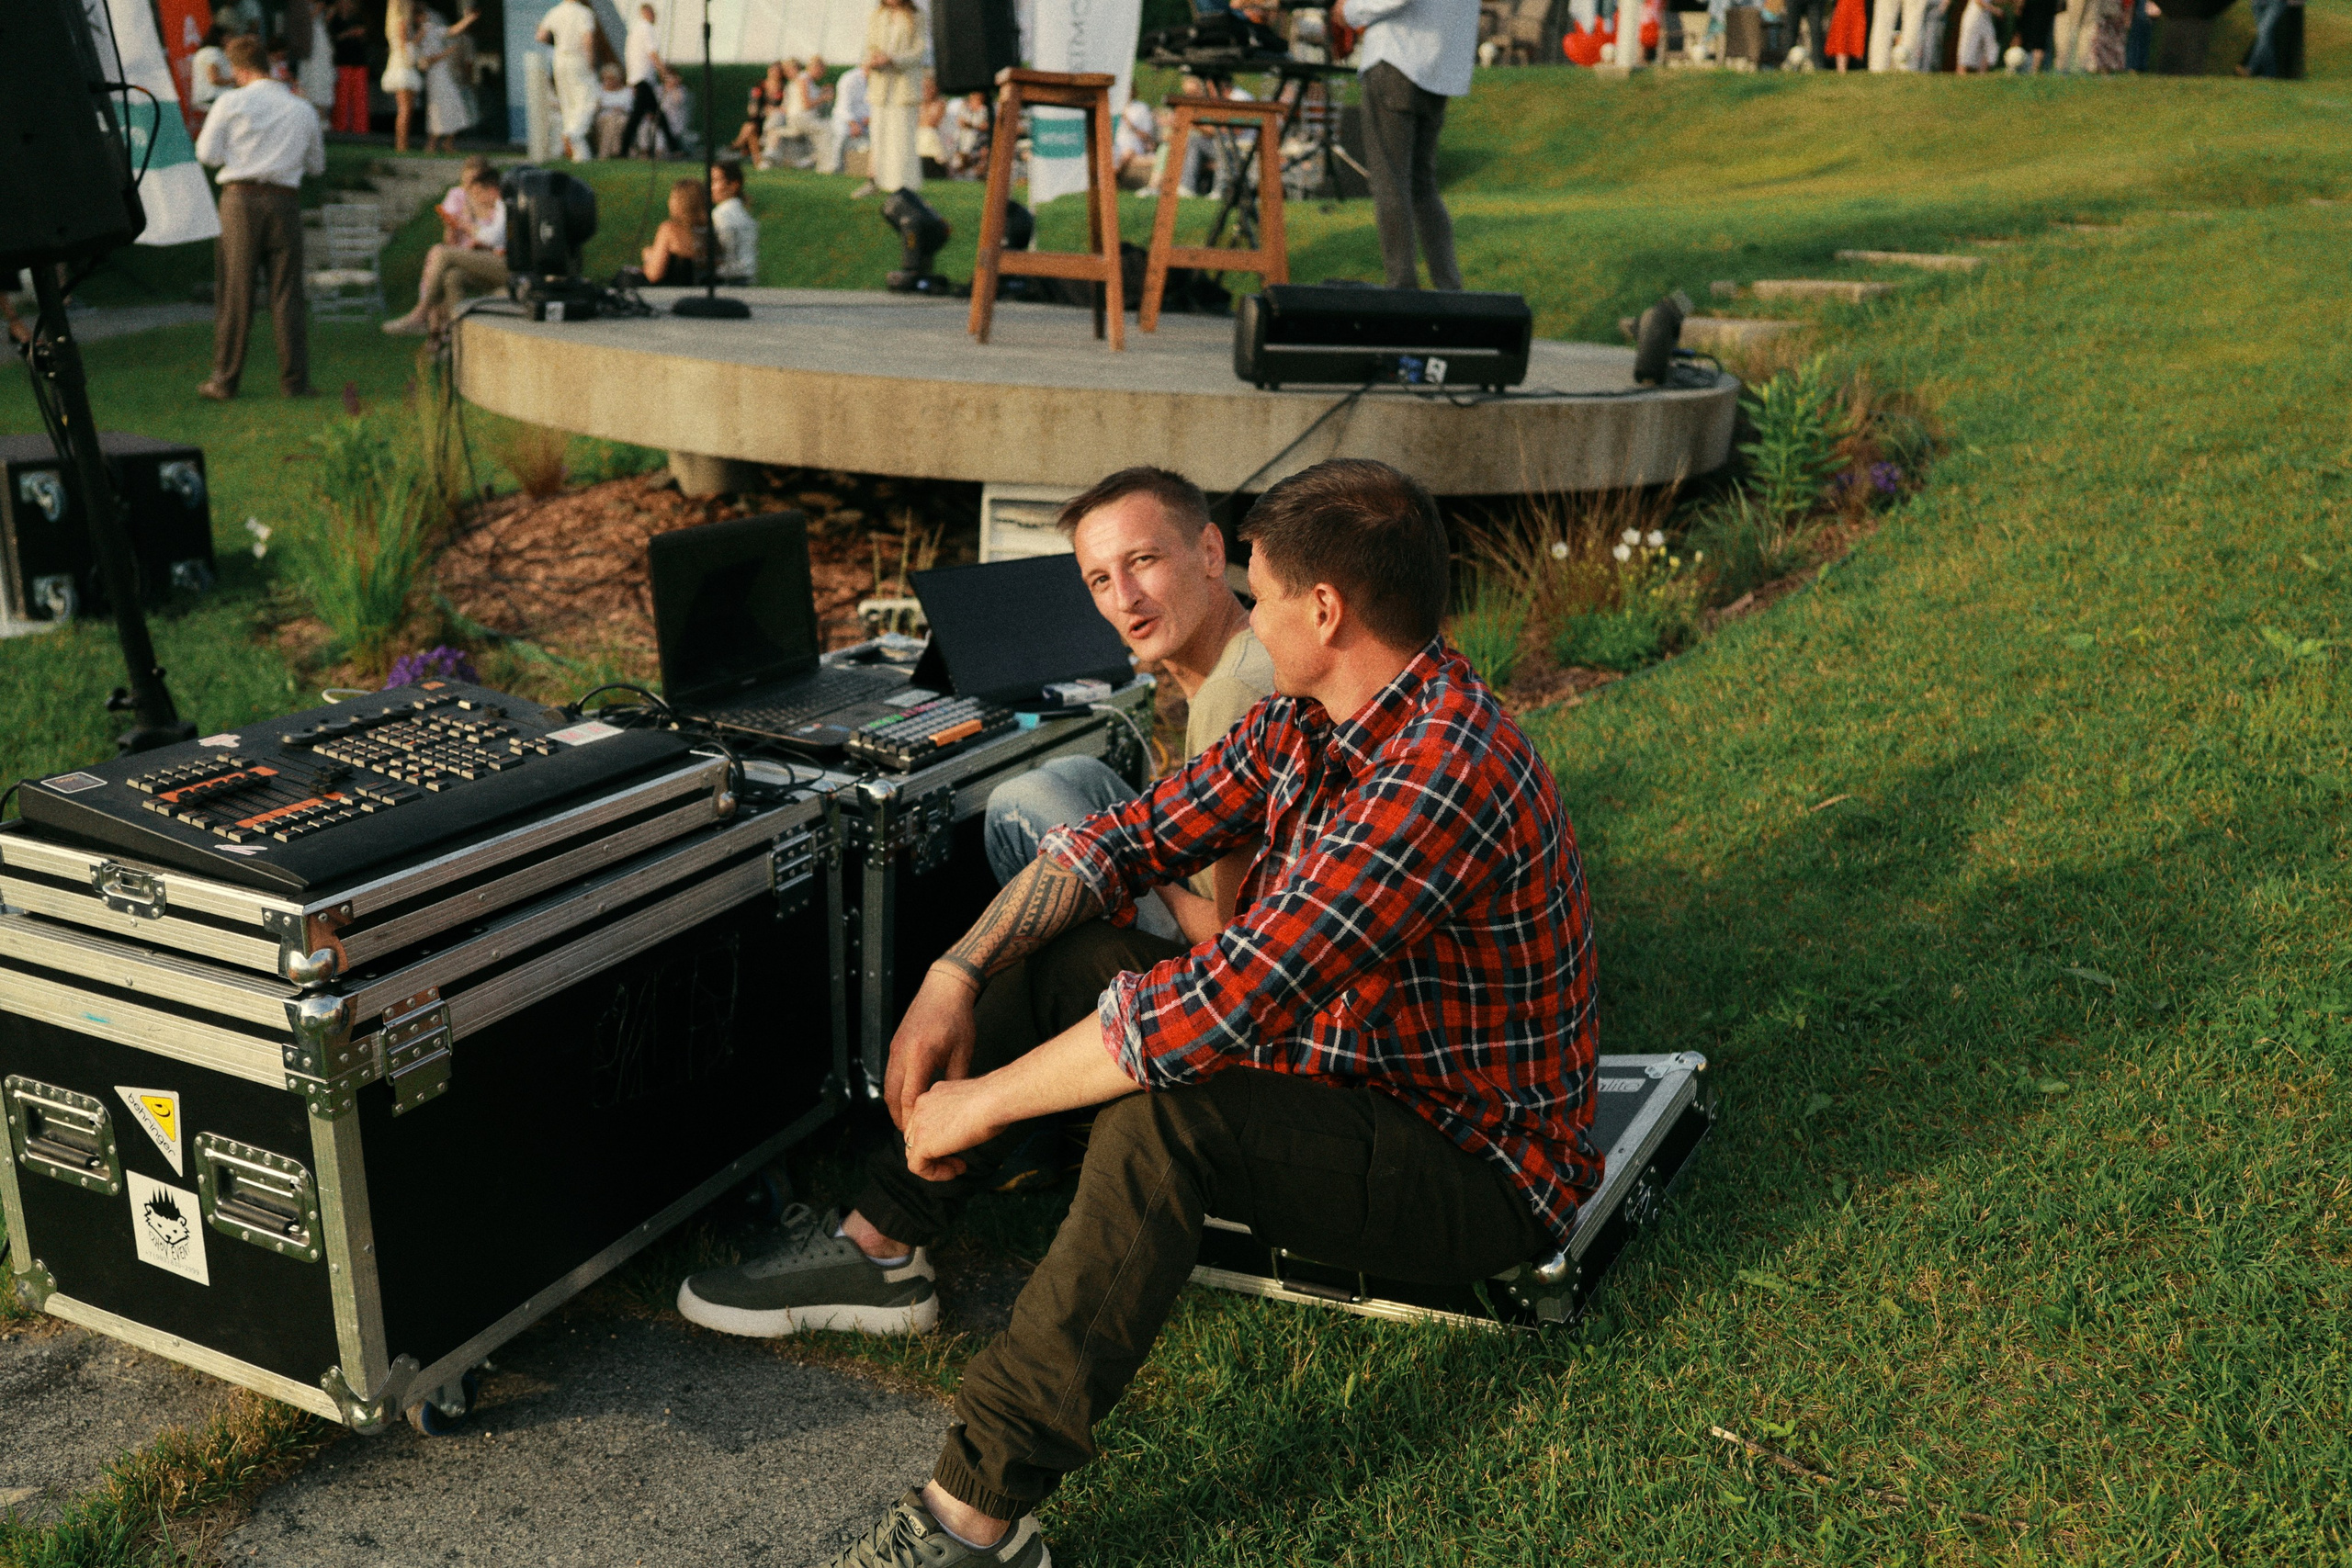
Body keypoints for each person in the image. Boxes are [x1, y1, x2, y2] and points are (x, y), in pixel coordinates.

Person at [734, 457, 1596, 1568]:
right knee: (1051, 950)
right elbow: (1122, 842)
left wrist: (980, 1103)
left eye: (1263, 592)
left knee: (1166, 1115)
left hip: (1468, 1162)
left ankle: (974, 1521)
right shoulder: (1313, 718)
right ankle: (882, 1245)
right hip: (1334, 1069)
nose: (1251, 616)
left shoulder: (1437, 775)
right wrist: (953, 973)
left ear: (1324, 611)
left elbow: (1209, 1011)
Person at [676, 464, 1279, 1328]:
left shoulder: (1235, 691)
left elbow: (1236, 935)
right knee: (1059, 791)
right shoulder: (1233, 660)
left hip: (1236, 1004)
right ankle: (1022, 1117)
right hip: (1246, 974)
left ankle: (887, 1234)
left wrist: (1134, 883)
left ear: (1212, 549)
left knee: (1042, 856)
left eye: (1143, 562)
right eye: (1101, 579)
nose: (1124, 599)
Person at [195, 36, 325, 401]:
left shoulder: (231, 102)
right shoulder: (301, 108)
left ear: (237, 69)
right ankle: (295, 382)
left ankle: (224, 380)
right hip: (285, 200)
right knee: (287, 294)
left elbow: (206, 154)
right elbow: (316, 165)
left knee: (236, 291)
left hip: (240, 199)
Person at [1329, 0, 1470, 290]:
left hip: (1398, 57)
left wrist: (1349, 10)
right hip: (1439, 66)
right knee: (1422, 185)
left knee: (1390, 181)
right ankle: (1449, 287)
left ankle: (1402, 286)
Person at [384, 157, 506, 337]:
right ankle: (458, 336)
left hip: (507, 266)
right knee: (452, 277)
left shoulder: (503, 205)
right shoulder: (472, 199)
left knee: (442, 253)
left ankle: (421, 312)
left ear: (492, 190)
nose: (476, 197)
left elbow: (493, 237)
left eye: (479, 192)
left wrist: (467, 227)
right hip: (488, 261)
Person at [861, 0, 925, 199]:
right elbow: (869, 45)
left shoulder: (916, 16)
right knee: (879, 133)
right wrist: (872, 60)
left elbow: (918, 51)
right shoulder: (877, 16)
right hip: (881, 86)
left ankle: (903, 185)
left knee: (902, 136)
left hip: (903, 86)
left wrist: (893, 59)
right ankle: (875, 181)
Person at [537, 0, 602, 160]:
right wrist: (591, 63)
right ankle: (573, 133)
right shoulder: (584, 13)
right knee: (589, 101)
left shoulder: (555, 11)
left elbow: (541, 36)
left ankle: (580, 155)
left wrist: (558, 42)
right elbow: (588, 39)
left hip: (559, 59)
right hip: (578, 57)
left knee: (568, 104)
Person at [618, 4, 679, 156]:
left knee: (645, 116)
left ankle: (623, 150)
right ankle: (675, 148)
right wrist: (664, 74)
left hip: (637, 77)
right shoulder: (647, 29)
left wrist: (630, 79)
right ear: (647, 13)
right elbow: (653, 53)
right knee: (649, 116)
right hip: (644, 77)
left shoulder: (634, 31)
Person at [419, 2, 479, 152]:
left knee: (454, 106)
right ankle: (432, 144)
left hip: (444, 73)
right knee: (438, 109)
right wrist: (447, 53)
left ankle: (447, 142)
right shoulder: (422, 32)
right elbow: (426, 60)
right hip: (435, 75)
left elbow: (452, 30)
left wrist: (468, 20)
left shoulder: (432, 29)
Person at [639, 177, 708, 284]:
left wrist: (649, 258)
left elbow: (654, 275)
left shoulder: (669, 230)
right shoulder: (709, 233)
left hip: (668, 292)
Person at [708, 160, 758, 285]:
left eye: (716, 181)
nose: (711, 187)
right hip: (748, 276)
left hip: (729, 278)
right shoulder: (743, 213)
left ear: (734, 185)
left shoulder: (721, 213)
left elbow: (726, 252)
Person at [383, 0, 423, 151]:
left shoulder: (392, 21)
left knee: (405, 108)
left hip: (399, 63)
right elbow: (405, 45)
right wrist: (419, 36)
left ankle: (402, 142)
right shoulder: (402, 21)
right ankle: (401, 143)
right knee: (405, 108)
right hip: (403, 65)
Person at [327, 0, 371, 131]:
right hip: (342, 62)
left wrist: (360, 34)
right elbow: (333, 39)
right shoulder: (334, 20)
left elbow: (366, 39)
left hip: (359, 62)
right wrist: (348, 33)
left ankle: (360, 128)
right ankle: (340, 127)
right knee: (342, 97)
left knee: (360, 98)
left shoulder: (358, 19)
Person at [824, 62, 870, 176]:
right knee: (842, 134)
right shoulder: (849, 79)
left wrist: (871, 118)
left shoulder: (879, 80)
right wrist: (853, 124)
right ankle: (836, 168)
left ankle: (876, 172)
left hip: (866, 121)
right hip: (844, 119)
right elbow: (843, 107)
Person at [733, 61, 786, 160]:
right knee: (751, 127)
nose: (775, 73)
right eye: (773, 70)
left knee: (751, 127)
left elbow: (783, 106)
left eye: (778, 71)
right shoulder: (760, 86)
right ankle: (757, 161)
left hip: (774, 119)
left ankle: (737, 145)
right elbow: (754, 103)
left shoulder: (784, 88)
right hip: (760, 116)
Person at [189, 24, 235, 123]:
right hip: (213, 98)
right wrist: (235, 79)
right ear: (221, 38)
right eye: (229, 37)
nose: (231, 40)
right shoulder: (213, 53)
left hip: (209, 98)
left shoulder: (207, 52)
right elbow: (214, 78)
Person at [1113, 94, 1159, 191]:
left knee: (1127, 152)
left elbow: (1147, 135)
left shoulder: (1141, 108)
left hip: (1134, 144)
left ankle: (1112, 179)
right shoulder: (1113, 105)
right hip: (1116, 143)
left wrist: (1130, 124)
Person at [594, 62, 634, 156]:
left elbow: (630, 108)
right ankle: (617, 151)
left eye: (612, 79)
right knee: (612, 119)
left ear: (618, 79)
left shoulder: (627, 91)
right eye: (606, 79)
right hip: (603, 118)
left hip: (622, 116)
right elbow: (596, 107)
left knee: (618, 120)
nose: (609, 81)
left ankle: (604, 153)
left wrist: (619, 110)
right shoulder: (599, 90)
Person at [1955, 0, 2003, 67]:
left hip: (1985, 19)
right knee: (1967, 49)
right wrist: (1995, 10)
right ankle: (1961, 74)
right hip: (1973, 19)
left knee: (1989, 46)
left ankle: (1982, 74)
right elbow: (1978, 1)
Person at [1825, 0, 1871, 67]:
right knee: (1842, 33)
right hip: (1847, 5)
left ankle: (1857, 64)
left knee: (1854, 32)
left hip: (1858, 5)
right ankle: (1842, 68)